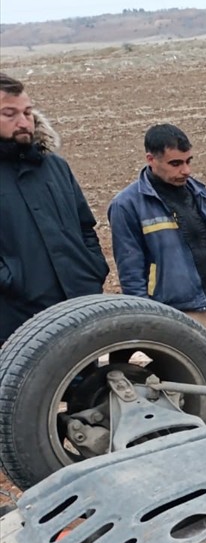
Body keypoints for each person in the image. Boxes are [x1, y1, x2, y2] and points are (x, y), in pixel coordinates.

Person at [109, 123, 206, 372]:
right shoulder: (127, 205)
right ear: (151, 159)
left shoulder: (201, 193)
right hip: (180, 315)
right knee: (194, 390)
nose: (186, 170)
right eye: (176, 163)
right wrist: (148, 321)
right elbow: (132, 273)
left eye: (189, 161)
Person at [0, 74, 108, 346]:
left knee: (87, 386)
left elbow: (86, 227)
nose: (24, 122)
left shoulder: (55, 167)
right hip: (16, 320)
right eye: (9, 114)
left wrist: (92, 269)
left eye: (27, 112)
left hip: (79, 308)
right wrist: (13, 282)